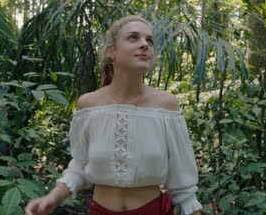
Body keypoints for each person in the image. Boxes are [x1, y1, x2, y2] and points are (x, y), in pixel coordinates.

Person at [25, 15, 202, 215]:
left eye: (149, 40)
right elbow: (80, 167)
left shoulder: (166, 106)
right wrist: (52, 197)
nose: (145, 44)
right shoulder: (88, 105)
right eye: (133, 38)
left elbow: (183, 183)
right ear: (111, 51)